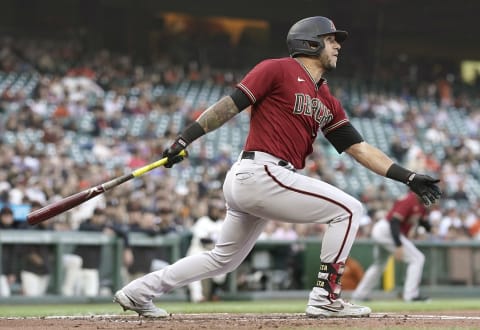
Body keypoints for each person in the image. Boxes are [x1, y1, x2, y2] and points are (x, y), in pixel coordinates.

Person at [114, 16, 441, 318]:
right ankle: (326, 296)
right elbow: (229, 106)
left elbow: (358, 148)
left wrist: (407, 176)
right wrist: (185, 139)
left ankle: (138, 292)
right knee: (349, 210)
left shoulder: (327, 98)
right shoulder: (277, 69)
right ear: (310, 43)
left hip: (259, 178)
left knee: (222, 260)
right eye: (331, 39)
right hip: (262, 172)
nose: (338, 45)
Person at [351, 191, 432, 302]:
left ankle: (359, 295)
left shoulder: (421, 204)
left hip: (385, 231)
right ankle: (411, 295)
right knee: (417, 258)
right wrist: (398, 245)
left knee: (379, 264)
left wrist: (428, 220)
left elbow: (425, 224)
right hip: (387, 230)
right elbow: (394, 222)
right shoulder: (409, 199)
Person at [186, 198, 226, 302]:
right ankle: (198, 298)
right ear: (210, 210)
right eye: (214, 209)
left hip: (213, 252)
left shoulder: (222, 223)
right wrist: (217, 240)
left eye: (218, 209)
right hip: (198, 250)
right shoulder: (202, 221)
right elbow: (203, 240)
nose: (216, 211)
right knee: (193, 274)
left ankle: (214, 294)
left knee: (221, 273)